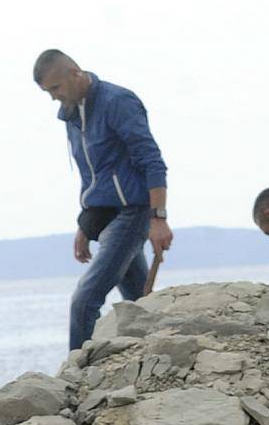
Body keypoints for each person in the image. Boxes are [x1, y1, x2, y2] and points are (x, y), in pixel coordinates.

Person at [34, 50, 172, 350]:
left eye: (55, 88)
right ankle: (157, 355)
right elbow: (90, 175)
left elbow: (151, 160)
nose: (53, 98)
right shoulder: (71, 115)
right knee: (139, 301)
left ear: (75, 73)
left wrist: (158, 217)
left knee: (84, 301)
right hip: (104, 215)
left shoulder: (117, 102)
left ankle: (74, 379)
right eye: (47, 92)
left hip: (133, 212)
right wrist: (85, 225)